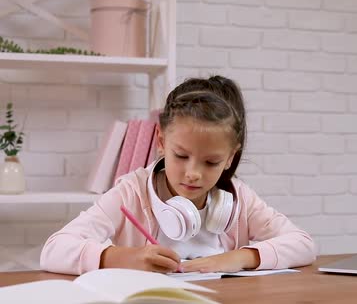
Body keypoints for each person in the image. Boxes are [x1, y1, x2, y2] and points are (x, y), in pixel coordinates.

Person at [40, 76, 316, 275]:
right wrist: (122, 256)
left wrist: (240, 257)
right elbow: (53, 250)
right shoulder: (131, 192)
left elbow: (303, 244)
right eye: (181, 156)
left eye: (211, 162)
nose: (193, 173)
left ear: (230, 157)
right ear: (161, 141)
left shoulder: (239, 197)